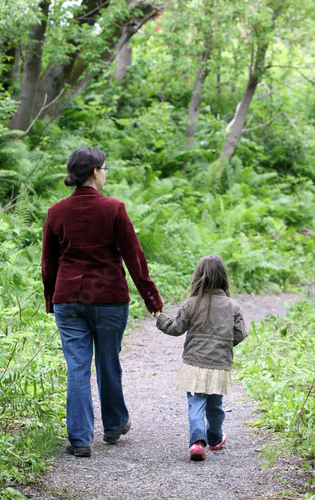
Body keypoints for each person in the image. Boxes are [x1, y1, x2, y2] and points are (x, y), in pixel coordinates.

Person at [41, 147, 163, 457]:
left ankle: (80, 440)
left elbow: (48, 265)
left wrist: (51, 301)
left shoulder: (56, 212)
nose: (106, 173)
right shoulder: (113, 209)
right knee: (108, 362)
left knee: (77, 368)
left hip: (68, 299)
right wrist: (152, 299)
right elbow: (135, 257)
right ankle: (113, 426)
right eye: (105, 168)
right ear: (95, 171)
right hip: (108, 298)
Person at [154, 255, 247, 461]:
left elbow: (175, 328)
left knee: (196, 404)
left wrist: (159, 317)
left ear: (198, 277)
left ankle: (197, 442)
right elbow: (240, 334)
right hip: (219, 366)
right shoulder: (233, 306)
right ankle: (214, 438)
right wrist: (222, 345)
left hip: (194, 365)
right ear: (224, 277)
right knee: (215, 406)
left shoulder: (192, 304)